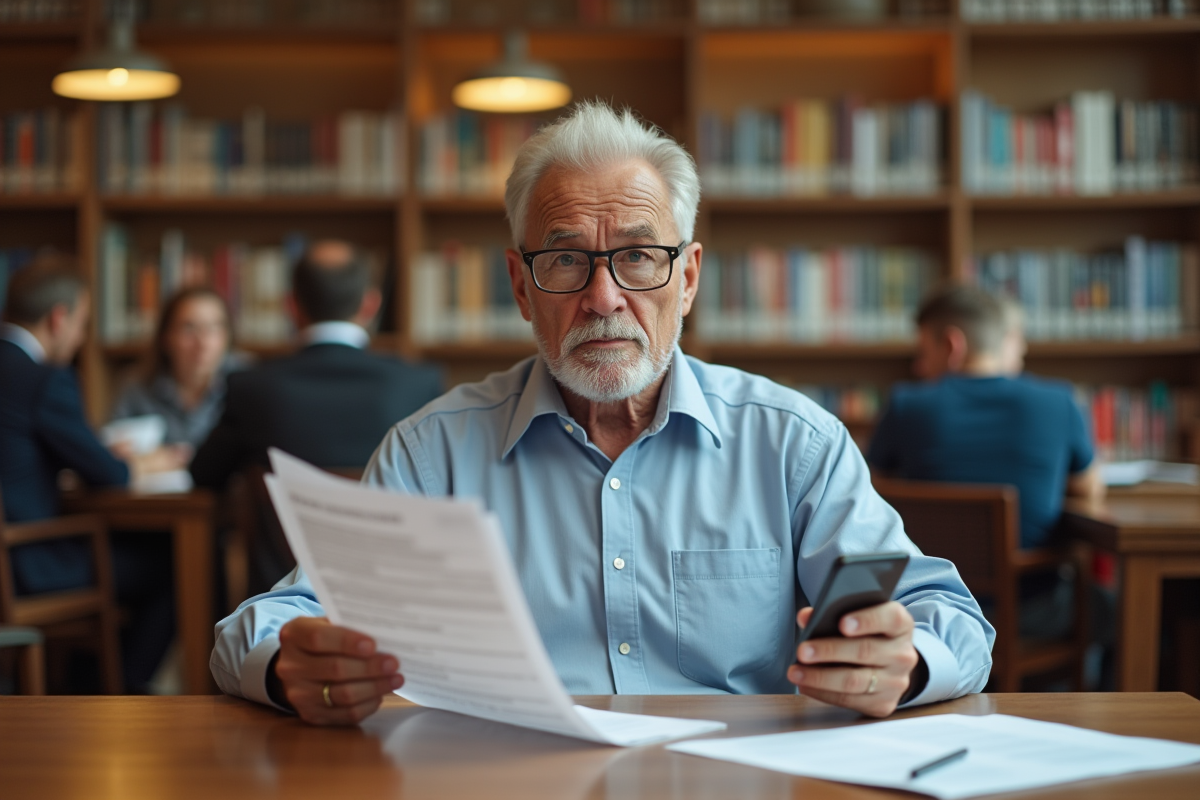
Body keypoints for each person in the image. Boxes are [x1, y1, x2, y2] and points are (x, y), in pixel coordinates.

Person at [211, 101, 994, 726]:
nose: (604, 297)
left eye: (639, 256)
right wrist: (288, 665)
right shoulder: (431, 454)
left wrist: (906, 662)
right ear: (521, 287)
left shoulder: (792, 443)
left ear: (688, 277)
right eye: (565, 260)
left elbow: (947, 616)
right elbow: (266, 622)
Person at [190, 241, 443, 593]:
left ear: (291, 306)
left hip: (284, 607)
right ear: (370, 305)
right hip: (390, 598)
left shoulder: (252, 388)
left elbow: (203, 476)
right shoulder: (417, 386)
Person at [0, 256, 183, 692]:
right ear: (58, 318)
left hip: (12, 558)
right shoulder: (45, 378)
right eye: (82, 324)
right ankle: (120, 692)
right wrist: (144, 462)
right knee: (173, 562)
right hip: (25, 563)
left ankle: (86, 686)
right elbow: (110, 476)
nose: (82, 338)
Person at [868, 285, 1104, 551]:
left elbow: (871, 495)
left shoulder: (905, 405)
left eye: (923, 352)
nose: (918, 367)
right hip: (1033, 577)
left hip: (933, 577)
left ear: (951, 344)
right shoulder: (1059, 401)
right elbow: (1088, 489)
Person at [110, 287, 245, 452]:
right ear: (166, 337)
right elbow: (113, 448)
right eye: (189, 329)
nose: (203, 343)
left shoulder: (249, 383)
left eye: (214, 328)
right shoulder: (136, 384)